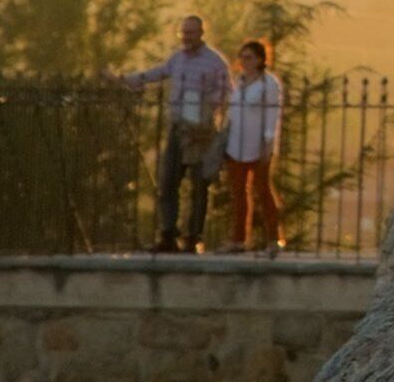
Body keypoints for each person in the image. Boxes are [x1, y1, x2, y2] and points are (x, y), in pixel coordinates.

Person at [120, 14, 231, 253]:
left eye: (190, 33)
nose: (186, 38)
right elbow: (157, 73)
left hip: (200, 132)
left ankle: (194, 237)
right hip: (177, 128)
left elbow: (224, 93)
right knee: (168, 181)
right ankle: (168, 234)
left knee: (199, 186)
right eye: (183, 33)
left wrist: (205, 109)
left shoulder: (215, 62)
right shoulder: (177, 59)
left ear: (201, 33)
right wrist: (129, 80)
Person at [223, 38, 286, 252]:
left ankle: (273, 239)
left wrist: (268, 143)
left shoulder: (269, 84)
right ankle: (238, 239)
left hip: (258, 145)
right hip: (235, 144)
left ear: (260, 59)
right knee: (239, 193)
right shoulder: (239, 82)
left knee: (263, 191)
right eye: (242, 57)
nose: (244, 61)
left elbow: (272, 115)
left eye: (249, 57)